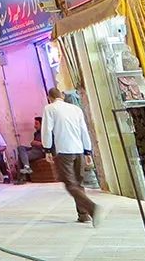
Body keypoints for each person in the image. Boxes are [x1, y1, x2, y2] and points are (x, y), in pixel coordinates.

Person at [41, 87, 99, 225]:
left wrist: (47, 149)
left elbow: (47, 130)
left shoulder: (50, 108)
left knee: (70, 184)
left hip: (64, 151)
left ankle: (92, 208)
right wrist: (87, 151)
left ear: (49, 97)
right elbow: (84, 130)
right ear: (62, 95)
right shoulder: (76, 109)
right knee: (78, 183)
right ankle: (83, 215)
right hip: (79, 149)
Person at [15, 116, 45, 183]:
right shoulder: (36, 133)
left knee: (21, 156)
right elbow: (33, 144)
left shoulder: (46, 133)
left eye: (36, 124)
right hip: (33, 149)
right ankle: (27, 166)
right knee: (20, 148)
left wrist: (36, 143)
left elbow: (47, 145)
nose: (35, 126)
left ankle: (21, 178)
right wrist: (34, 143)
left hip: (40, 151)